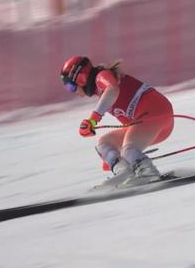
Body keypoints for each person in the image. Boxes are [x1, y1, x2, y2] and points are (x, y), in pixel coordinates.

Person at [60, 55, 175, 188]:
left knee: (129, 149)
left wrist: (93, 119)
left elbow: (112, 89)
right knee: (104, 144)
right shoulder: (99, 89)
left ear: (80, 78)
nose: (73, 92)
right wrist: (115, 160)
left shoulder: (101, 76)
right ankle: (124, 172)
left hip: (156, 113)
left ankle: (149, 173)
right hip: (150, 123)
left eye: (70, 87)